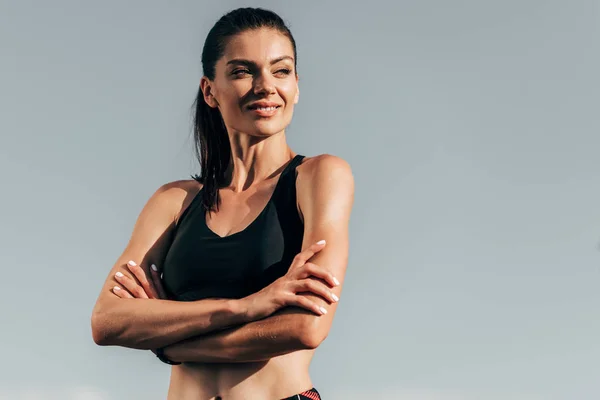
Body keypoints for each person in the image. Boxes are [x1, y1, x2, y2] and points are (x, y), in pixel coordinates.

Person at [90, 7, 354, 400]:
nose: (266, 86)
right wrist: (246, 307)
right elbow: (108, 322)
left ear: (297, 86)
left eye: (281, 71)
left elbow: (305, 327)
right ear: (210, 91)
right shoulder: (174, 201)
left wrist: (170, 343)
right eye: (243, 71)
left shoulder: (318, 177)